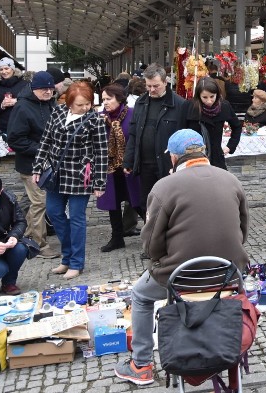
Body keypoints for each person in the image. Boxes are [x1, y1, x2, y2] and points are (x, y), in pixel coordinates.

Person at [114, 129, 249, 387]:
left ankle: (141, 365)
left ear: (174, 158)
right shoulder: (231, 179)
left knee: (141, 295)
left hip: (182, 277)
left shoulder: (164, 186)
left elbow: (152, 245)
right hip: (229, 275)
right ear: (203, 152)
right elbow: (243, 232)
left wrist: (161, 260)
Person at [32, 81, 108, 280]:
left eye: (88, 103)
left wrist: (100, 183)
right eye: (80, 104)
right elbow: (45, 141)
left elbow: (101, 153)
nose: (85, 108)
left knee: (77, 218)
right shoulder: (57, 113)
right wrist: (38, 167)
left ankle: (76, 262)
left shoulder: (95, 120)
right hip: (56, 172)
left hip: (80, 174)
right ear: (69, 102)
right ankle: (66, 257)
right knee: (53, 212)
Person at [6, 70, 59, 259]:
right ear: (34, 88)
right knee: (40, 202)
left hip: (49, 164)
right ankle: (39, 244)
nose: (48, 92)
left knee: (31, 202)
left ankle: (24, 235)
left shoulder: (51, 103)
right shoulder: (22, 107)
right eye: (43, 89)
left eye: (51, 88)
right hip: (31, 165)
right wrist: (42, 149)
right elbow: (15, 139)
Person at [123, 64, 188, 215]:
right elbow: (134, 133)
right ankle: (150, 236)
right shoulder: (140, 102)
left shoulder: (179, 105)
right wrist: (129, 159)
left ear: (165, 82)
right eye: (149, 86)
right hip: (145, 164)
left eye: (156, 86)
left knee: (169, 204)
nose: (152, 90)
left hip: (168, 165)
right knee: (147, 203)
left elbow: (184, 137)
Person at [96, 83, 142, 252]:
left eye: (109, 99)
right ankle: (117, 238)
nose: (105, 103)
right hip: (110, 167)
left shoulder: (132, 114)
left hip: (128, 166)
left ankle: (153, 236)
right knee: (112, 203)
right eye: (103, 99)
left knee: (137, 201)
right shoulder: (101, 117)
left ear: (119, 99)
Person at [186, 77, 242, 168]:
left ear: (217, 94)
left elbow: (237, 127)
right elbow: (180, 131)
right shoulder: (190, 107)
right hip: (194, 158)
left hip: (216, 157)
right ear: (199, 96)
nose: (209, 101)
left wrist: (230, 146)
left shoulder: (224, 106)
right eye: (205, 97)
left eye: (212, 96)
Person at [0, 57, 29, 133]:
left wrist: (17, 101)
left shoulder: (24, 85)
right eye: (1, 69)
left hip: (23, 128)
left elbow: (33, 103)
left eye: (6, 68)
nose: (4, 72)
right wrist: (1, 106)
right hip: (3, 129)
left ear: (12, 69)